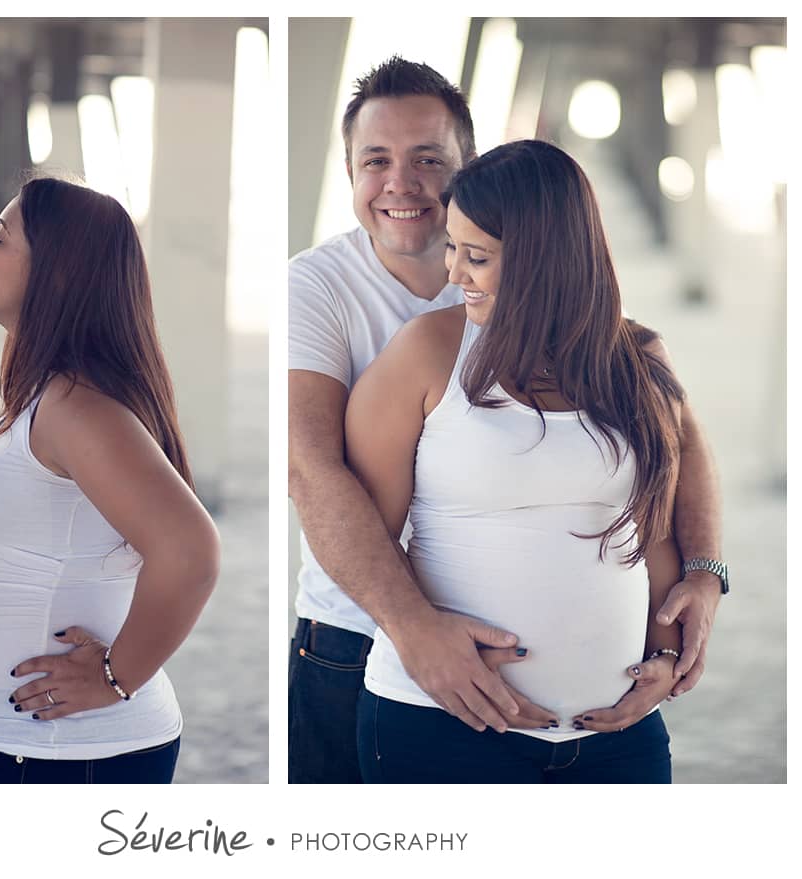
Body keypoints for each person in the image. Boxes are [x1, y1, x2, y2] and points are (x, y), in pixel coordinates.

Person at [288, 57, 726, 783]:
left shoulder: (634, 351)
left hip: (616, 735)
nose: (402, 182)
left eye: (429, 159)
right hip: (383, 659)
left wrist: (686, 612)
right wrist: (417, 631)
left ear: (469, 167)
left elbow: (669, 483)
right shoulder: (352, 306)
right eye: (376, 160)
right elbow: (314, 475)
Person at [0, 176, 220, 784]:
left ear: (58, 273)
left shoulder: (79, 407)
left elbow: (190, 552)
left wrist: (115, 678)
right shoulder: (52, 393)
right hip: (37, 746)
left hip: (64, 753)